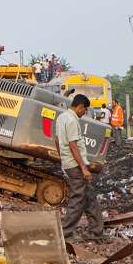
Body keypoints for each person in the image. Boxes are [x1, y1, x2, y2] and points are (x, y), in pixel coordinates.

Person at [54, 94, 103, 240]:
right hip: (75, 165)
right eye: (85, 110)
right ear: (80, 106)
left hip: (69, 162)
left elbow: (57, 140)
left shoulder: (62, 118)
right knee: (77, 199)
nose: (84, 113)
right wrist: (83, 168)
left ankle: (96, 232)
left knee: (89, 197)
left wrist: (62, 158)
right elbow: (73, 145)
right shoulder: (71, 120)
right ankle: (66, 233)